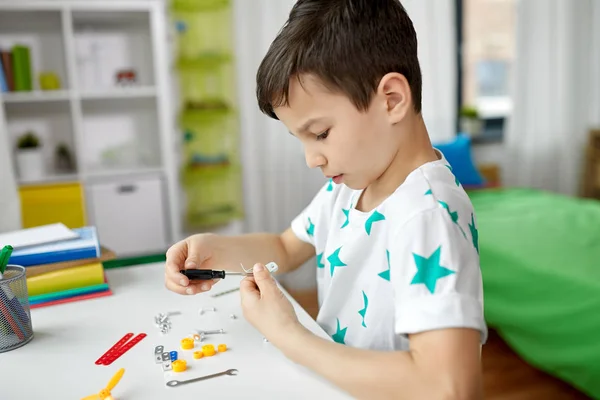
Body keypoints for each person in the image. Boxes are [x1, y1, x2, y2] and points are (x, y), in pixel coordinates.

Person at [165, 0, 487, 398]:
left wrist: (290, 336)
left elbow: (448, 386)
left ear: (391, 99)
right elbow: (284, 248)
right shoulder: (347, 188)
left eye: (319, 134)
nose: (311, 158)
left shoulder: (428, 214)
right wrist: (214, 249)